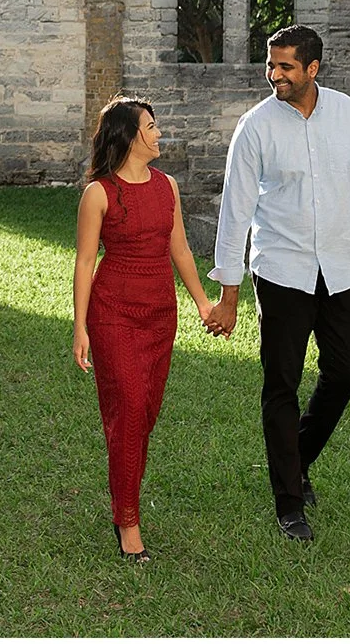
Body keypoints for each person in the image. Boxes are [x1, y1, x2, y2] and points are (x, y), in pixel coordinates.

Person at [204, 24, 350, 542]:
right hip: (283, 272)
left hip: (344, 268)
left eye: (286, 66)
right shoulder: (255, 127)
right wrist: (229, 289)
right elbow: (235, 211)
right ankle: (289, 501)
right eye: (272, 65)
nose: (276, 75)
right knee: (280, 383)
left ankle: (296, 458)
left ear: (313, 68)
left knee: (346, 372)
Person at [72, 95, 218, 563]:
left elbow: (180, 251)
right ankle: (128, 520)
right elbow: (83, 262)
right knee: (130, 408)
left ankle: (124, 493)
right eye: (151, 126)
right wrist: (80, 328)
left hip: (159, 314)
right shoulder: (99, 193)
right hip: (113, 312)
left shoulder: (167, 187)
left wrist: (201, 303)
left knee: (145, 412)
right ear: (130, 136)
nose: (159, 134)